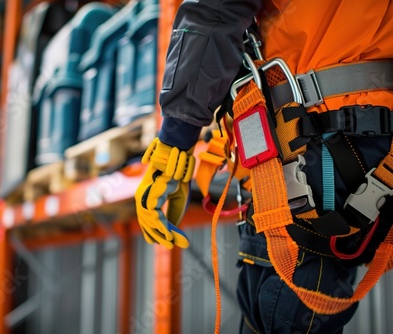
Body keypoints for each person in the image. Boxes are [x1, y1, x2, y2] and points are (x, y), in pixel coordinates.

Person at [134, 0, 393, 333]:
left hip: (311, 138)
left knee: (283, 311)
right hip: (362, 142)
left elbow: (215, 11)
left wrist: (174, 142)